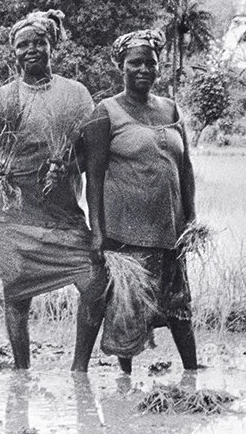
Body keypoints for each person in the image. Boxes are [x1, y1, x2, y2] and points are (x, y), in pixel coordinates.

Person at [0, 9, 108, 371]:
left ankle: (79, 367)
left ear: (53, 46)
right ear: (13, 52)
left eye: (39, 42)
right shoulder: (1, 99)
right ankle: (21, 370)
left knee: (95, 283)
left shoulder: (76, 94)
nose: (31, 49)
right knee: (17, 294)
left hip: (61, 212)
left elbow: (91, 151)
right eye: (23, 44)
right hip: (11, 214)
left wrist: (67, 162)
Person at [82, 28, 200, 374]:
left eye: (151, 62)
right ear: (122, 66)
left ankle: (191, 373)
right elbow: (94, 175)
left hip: (170, 230)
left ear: (159, 67)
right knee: (127, 309)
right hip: (126, 233)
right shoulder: (106, 112)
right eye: (135, 63)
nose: (144, 69)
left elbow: (186, 167)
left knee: (179, 307)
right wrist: (98, 231)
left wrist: (190, 219)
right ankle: (125, 381)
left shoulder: (171, 108)